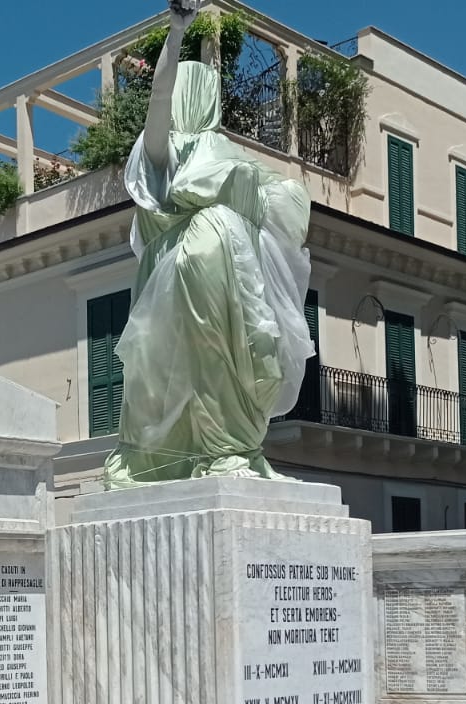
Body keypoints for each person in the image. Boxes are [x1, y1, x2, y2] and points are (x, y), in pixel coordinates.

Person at [104, 0, 314, 488]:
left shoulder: (222, 150)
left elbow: (284, 205)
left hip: (224, 278)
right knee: (178, 379)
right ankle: (201, 455)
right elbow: (157, 106)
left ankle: (231, 450)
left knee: (227, 365)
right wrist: (175, 34)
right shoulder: (163, 151)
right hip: (177, 284)